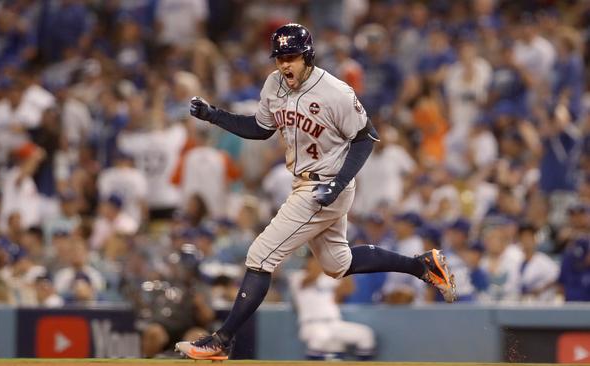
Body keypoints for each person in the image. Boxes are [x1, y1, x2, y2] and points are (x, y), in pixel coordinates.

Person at [175, 23, 456, 361]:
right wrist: (214, 116)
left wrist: (337, 184)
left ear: (307, 55)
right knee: (339, 264)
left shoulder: (334, 91)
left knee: (261, 256)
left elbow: (366, 137)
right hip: (305, 182)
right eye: (280, 57)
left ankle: (222, 339)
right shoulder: (273, 84)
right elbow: (260, 128)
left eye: (291, 56)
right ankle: (421, 265)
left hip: (327, 184)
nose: (284, 64)